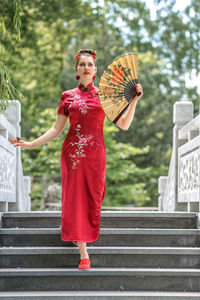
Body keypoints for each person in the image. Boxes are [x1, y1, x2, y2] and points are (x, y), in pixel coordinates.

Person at [9, 49, 143, 270]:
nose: (86, 68)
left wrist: (134, 101)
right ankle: (84, 254)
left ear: (96, 70)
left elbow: (125, 125)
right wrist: (31, 143)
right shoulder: (66, 96)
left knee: (94, 197)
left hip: (96, 156)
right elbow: (56, 129)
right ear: (77, 70)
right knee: (76, 199)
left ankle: (77, 233)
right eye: (82, 64)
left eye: (90, 64)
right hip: (73, 156)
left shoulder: (105, 96)